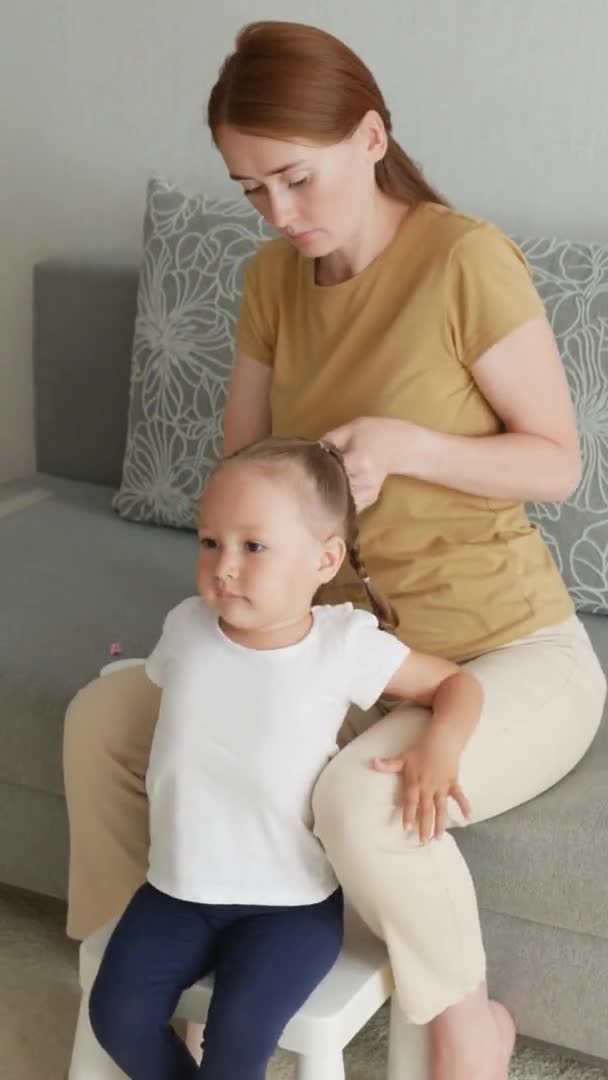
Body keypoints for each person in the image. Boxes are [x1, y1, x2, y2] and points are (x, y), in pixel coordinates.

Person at [63, 20, 607, 1080]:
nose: (278, 213)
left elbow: (555, 464)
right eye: (250, 189)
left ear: (370, 136)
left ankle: (466, 1028)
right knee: (102, 722)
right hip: (322, 645)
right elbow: (242, 465)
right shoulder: (272, 280)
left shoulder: (463, 260)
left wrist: (408, 447)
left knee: (359, 799)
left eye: (294, 179)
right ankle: (134, 975)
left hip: (502, 653)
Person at [87, 437, 482, 1080]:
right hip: (177, 890)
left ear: (325, 559)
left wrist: (439, 748)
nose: (225, 566)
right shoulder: (186, 627)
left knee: (237, 1047)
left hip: (289, 906)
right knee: (117, 1016)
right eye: (209, 542)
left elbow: (456, 686)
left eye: (254, 546)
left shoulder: (342, 645)